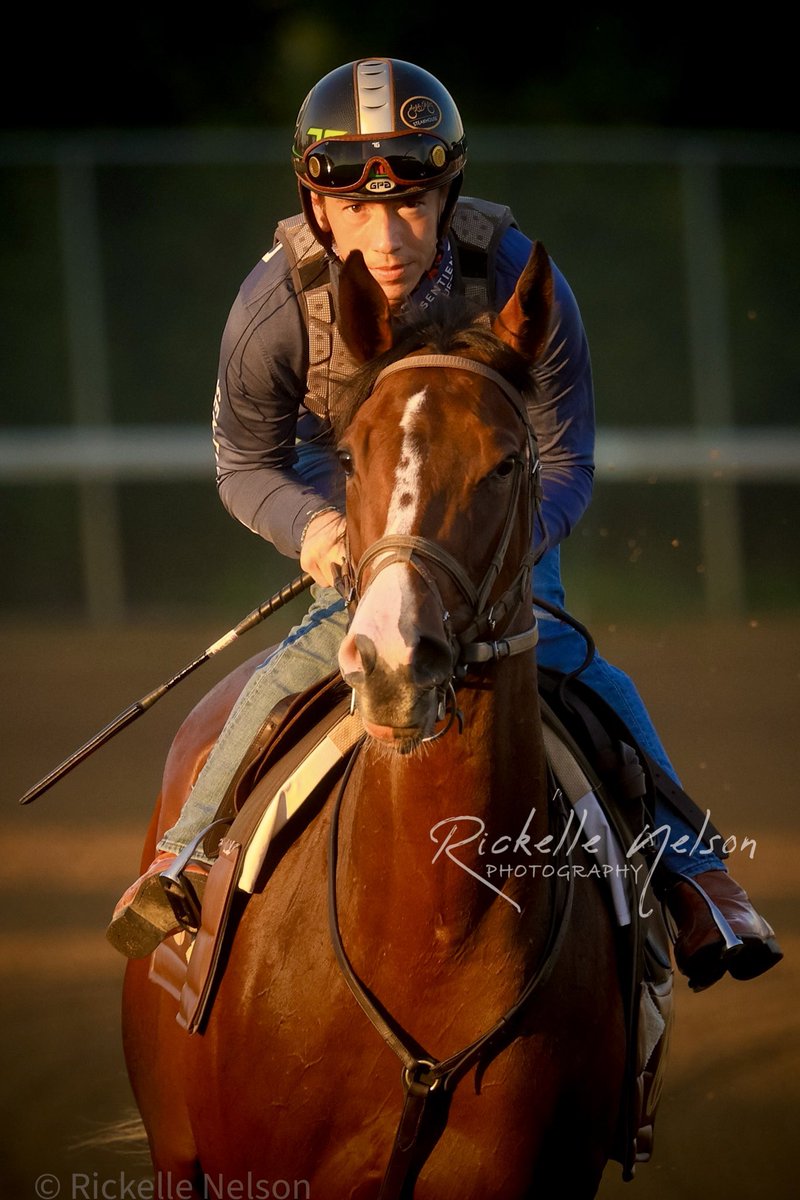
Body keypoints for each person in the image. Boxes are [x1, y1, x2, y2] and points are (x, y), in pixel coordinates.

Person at [106, 57, 781, 992]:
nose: (387, 239)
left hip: (485, 502)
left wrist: (493, 559)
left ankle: (699, 879)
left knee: (579, 671)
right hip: (346, 480)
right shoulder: (271, 309)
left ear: (447, 191)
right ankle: (180, 861)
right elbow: (243, 464)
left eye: (413, 203)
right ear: (315, 201)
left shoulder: (517, 274)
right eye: (357, 208)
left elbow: (567, 461)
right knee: (303, 662)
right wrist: (317, 532)